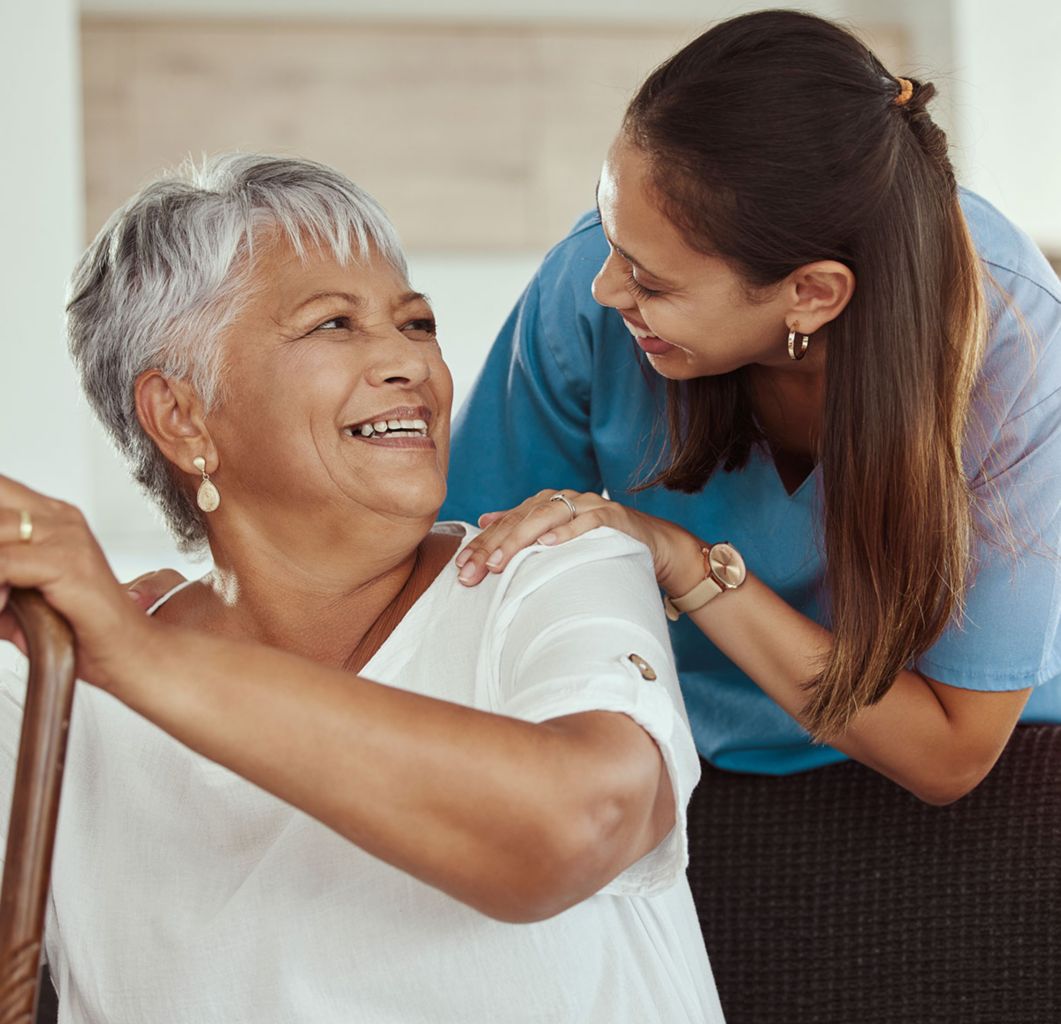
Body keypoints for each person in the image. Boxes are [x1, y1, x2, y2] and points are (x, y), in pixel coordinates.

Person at [0, 154, 733, 1024]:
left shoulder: (552, 568)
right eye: (333, 325)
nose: (407, 362)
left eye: (415, 322)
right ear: (182, 416)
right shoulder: (52, 680)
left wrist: (139, 660)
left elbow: (579, 827)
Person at [443, 10, 1061, 802]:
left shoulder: (1019, 346)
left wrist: (683, 562)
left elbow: (948, 751)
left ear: (810, 293)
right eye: (608, 236)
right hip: (670, 751)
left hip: (979, 782)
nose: (603, 287)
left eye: (651, 282)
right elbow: (467, 584)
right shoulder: (585, 293)